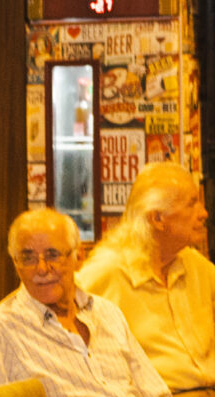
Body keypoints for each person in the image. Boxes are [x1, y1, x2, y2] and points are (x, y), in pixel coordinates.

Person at [0, 208, 170, 396]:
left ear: (78, 257)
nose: (41, 268)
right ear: (15, 263)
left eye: (52, 255)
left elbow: (156, 391)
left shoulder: (108, 313)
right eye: (28, 258)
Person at [77, 162, 214, 395]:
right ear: (158, 219)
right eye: (192, 203)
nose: (203, 213)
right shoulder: (106, 272)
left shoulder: (195, 265)